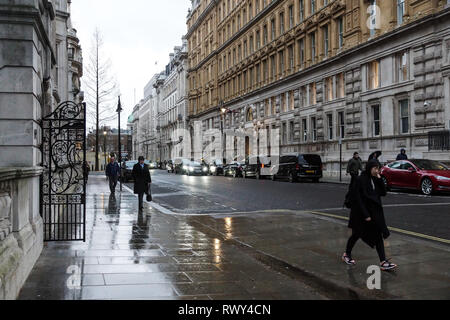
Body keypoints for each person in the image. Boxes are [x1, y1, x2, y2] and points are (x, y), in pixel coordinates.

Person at [342, 159, 397, 271]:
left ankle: (383, 261)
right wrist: (366, 215)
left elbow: (383, 193)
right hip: (360, 214)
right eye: (375, 168)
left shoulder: (375, 179)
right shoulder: (361, 179)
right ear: (369, 168)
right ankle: (346, 254)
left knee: (378, 235)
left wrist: (380, 178)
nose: (377, 170)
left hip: (373, 214)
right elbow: (358, 199)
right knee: (356, 234)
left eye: (378, 168)